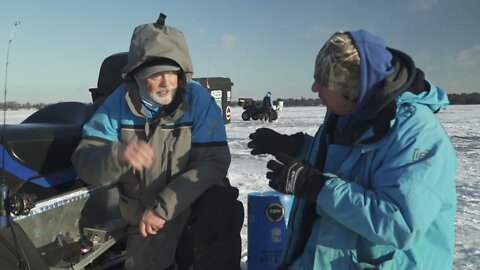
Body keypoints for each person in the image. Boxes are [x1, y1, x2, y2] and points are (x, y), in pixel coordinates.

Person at [248, 30, 456, 269]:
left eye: (324, 81)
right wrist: (298, 147)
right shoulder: (348, 116)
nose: (314, 87)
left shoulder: (417, 134)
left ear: (352, 88)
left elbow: (400, 224)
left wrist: (314, 185)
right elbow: (350, 165)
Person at [71, 14, 244, 270]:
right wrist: (117, 155)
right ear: (137, 76)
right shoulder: (115, 107)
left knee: (222, 205)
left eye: (171, 73)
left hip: (189, 208)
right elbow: (85, 161)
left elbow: (213, 163)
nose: (165, 82)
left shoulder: (198, 101)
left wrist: (164, 208)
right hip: (142, 217)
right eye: (155, 75)